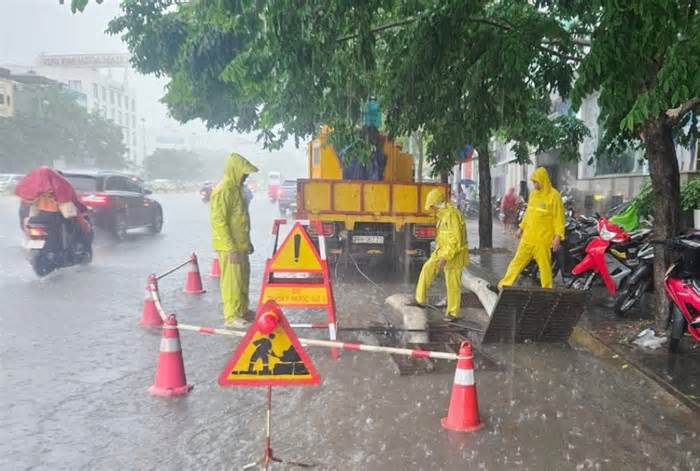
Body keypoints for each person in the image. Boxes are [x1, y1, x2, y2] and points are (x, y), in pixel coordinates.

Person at [210, 153, 259, 328]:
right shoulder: (223, 190)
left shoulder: (237, 189)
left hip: (241, 244)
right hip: (229, 247)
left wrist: (247, 242)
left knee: (243, 278)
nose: (246, 177)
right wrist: (230, 248)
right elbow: (219, 222)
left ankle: (242, 310)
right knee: (232, 281)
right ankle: (232, 316)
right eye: (244, 173)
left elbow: (240, 219)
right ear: (235, 171)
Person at [498, 167, 565, 289]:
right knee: (516, 263)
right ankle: (503, 285)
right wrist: (521, 228)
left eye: (536, 182)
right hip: (528, 238)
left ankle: (547, 290)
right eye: (533, 182)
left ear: (543, 180)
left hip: (543, 241)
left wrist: (558, 237)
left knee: (544, 268)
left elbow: (559, 218)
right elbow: (529, 213)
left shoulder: (554, 196)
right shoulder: (534, 195)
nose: (534, 185)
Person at [411, 188, 469, 321]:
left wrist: (445, 257)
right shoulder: (442, 214)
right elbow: (444, 236)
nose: (431, 209)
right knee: (427, 268)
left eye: (432, 206)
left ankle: (453, 313)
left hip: (454, 254)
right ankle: (420, 299)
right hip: (442, 250)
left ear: (436, 203)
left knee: (453, 283)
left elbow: (457, 241)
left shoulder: (452, 215)